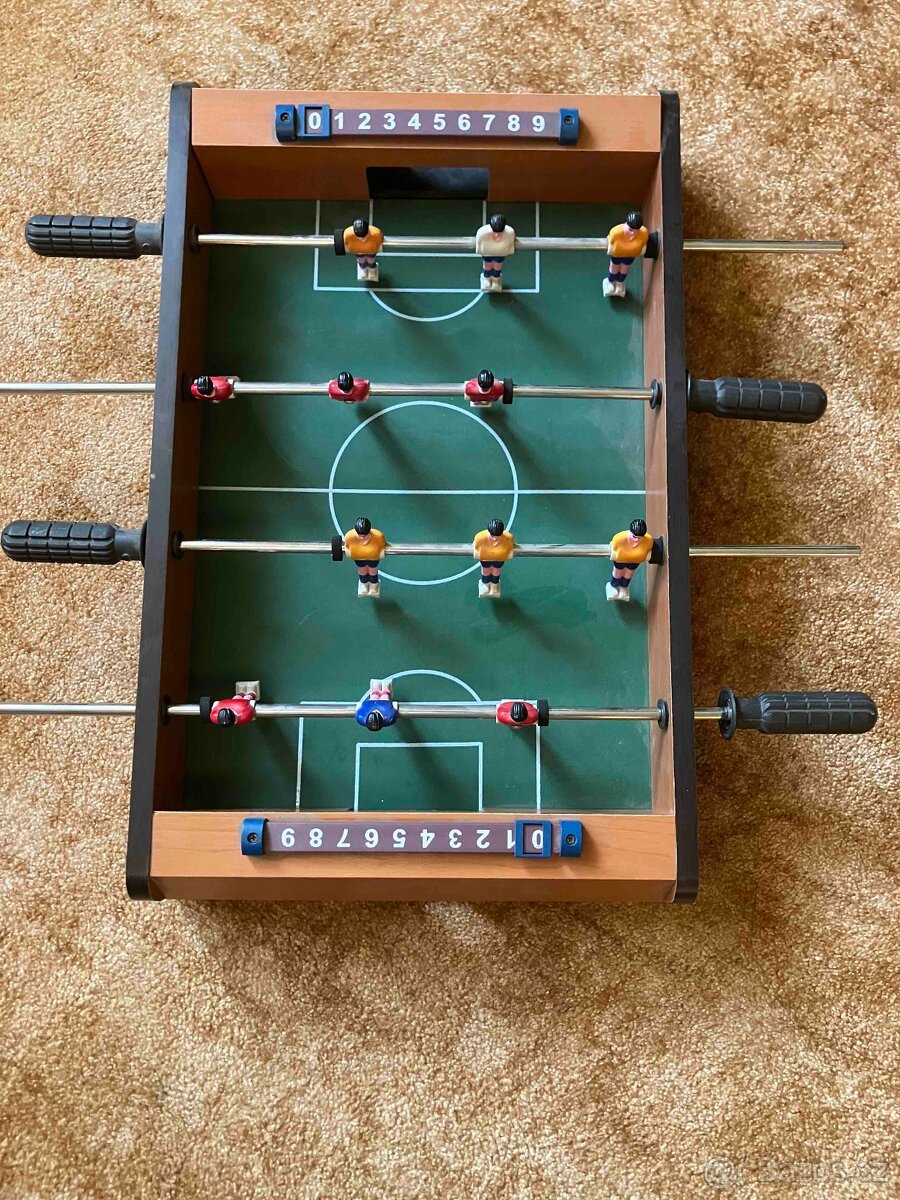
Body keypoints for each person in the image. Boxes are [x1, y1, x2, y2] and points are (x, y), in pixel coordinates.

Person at [603, 210, 650, 298]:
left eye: (636, 231)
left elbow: (644, 243)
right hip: (617, 256)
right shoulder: (616, 233)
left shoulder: (643, 234)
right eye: (630, 230)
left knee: (624, 270)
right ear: (626, 225)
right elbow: (611, 241)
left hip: (630, 257)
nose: (633, 234)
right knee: (614, 269)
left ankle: (620, 283)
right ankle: (610, 282)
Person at [607, 518, 654, 601]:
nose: (637, 540)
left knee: (628, 575)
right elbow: (614, 547)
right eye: (634, 537)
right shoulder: (619, 538)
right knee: (617, 573)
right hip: (620, 561)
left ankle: (623, 587)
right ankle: (614, 586)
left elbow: (648, 550)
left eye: (640, 538)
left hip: (634, 562)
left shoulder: (648, 540)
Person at [344, 516, 387, 597]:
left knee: (372, 571)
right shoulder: (349, 537)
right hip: (358, 558)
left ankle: (374, 585)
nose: (362, 538)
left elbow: (383, 547)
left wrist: (381, 553)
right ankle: (364, 584)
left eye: (364, 536)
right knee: (362, 570)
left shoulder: (378, 536)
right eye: (360, 535)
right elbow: (347, 547)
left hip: (373, 558)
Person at [472, 518, 515, 598]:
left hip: (499, 559)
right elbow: (476, 546)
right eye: (492, 536)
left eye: (498, 536)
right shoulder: (480, 538)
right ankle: (485, 584)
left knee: (496, 571)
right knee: (486, 571)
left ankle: (494, 585)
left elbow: (511, 547)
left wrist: (509, 553)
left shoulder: (508, 538)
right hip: (485, 559)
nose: (495, 538)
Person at [474, 213, 516, 291]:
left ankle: (496, 280)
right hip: (487, 254)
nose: (496, 235)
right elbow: (479, 245)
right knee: (488, 266)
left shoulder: (510, 232)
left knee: (497, 266)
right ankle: (487, 279)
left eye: (499, 233)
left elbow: (510, 245)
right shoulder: (482, 233)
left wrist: (507, 251)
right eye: (494, 232)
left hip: (500, 254)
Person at [343, 217, 384, 282]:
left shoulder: (376, 233)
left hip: (371, 251)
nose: (361, 239)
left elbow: (380, 242)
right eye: (359, 237)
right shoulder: (347, 234)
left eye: (364, 237)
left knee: (371, 260)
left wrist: (378, 249)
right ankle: (363, 269)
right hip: (358, 251)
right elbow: (345, 243)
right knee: (361, 260)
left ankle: (372, 270)